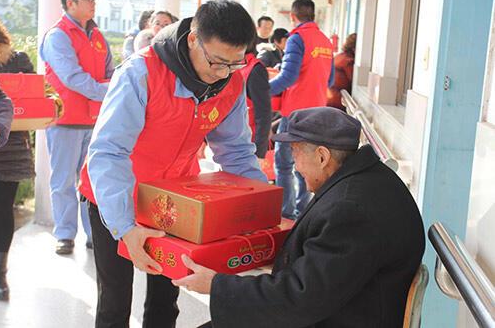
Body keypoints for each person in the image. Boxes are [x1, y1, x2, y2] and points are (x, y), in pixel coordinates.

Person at [78, 0, 264, 327]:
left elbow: (235, 153)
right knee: (115, 299)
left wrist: (262, 208)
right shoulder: (141, 73)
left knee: (168, 297)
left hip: (173, 203)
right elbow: (109, 153)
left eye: (235, 63)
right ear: (193, 39)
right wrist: (125, 227)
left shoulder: (232, 82)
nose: (224, 73)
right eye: (217, 62)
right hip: (113, 198)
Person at [174, 107, 426, 328]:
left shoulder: (350, 211)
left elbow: (300, 298)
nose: (294, 165)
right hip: (343, 308)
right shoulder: (364, 178)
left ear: (322, 156)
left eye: (295, 153)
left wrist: (216, 285)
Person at [39, 0, 114, 255]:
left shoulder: (97, 35)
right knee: (63, 181)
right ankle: (64, 234)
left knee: (91, 181)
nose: (93, 3)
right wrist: (108, 92)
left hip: (95, 120)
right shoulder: (58, 35)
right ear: (70, 3)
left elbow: (110, 72)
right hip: (65, 120)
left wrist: (111, 87)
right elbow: (72, 77)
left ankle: (93, 233)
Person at [270, 0, 334, 220]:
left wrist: (260, 91)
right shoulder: (326, 41)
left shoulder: (297, 38)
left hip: (296, 113)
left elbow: (288, 77)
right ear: (313, 15)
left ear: (292, 16)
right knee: (308, 167)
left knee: (284, 164)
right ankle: (303, 212)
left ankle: (285, 214)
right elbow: (330, 79)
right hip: (318, 112)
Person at [0, 17, 36, 301]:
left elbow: (36, 98)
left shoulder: (18, 60)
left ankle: (0, 272)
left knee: (1, 210)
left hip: (9, 150)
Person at [239, 50, 272, 164]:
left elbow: (264, 114)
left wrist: (259, 152)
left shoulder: (255, 70)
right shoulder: (232, 67)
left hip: (249, 145)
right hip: (230, 143)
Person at [327, 33, 356, 110]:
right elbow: (355, 82)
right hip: (337, 101)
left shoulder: (339, 56)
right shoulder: (348, 62)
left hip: (329, 96)